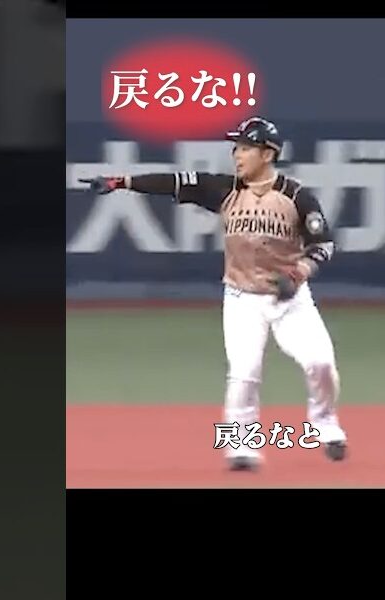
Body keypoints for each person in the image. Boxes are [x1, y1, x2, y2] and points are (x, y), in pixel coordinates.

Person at [78, 116, 347, 472]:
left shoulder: (296, 196)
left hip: (290, 299)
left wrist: (299, 272)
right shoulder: (224, 189)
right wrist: (121, 182)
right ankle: (241, 446)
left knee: (321, 363)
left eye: (246, 148)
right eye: (236, 148)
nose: (237, 154)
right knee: (244, 373)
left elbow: (323, 243)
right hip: (242, 298)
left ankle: (325, 422)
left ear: (268, 154)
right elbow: (174, 182)